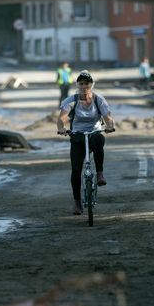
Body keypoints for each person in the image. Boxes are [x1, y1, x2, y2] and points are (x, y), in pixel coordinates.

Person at [57, 70, 116, 215]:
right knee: (76, 170)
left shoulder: (98, 100)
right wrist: (61, 128)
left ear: (92, 84)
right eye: (81, 83)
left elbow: (108, 117)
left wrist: (110, 126)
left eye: (87, 83)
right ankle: (77, 202)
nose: (84, 86)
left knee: (99, 138)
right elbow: (62, 118)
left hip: (94, 133)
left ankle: (100, 173)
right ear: (77, 85)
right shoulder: (72, 100)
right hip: (77, 135)